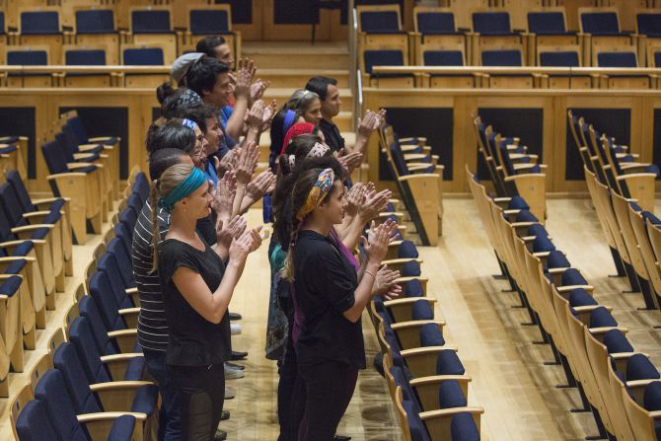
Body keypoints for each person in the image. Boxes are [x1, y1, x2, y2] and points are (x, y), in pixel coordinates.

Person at [283, 166, 397, 441]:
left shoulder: (319, 240)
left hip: (326, 350)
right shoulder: (318, 250)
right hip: (327, 357)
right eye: (339, 198)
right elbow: (351, 309)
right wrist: (373, 263)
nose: (345, 203)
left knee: (316, 428)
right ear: (320, 205)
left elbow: (341, 290)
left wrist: (370, 280)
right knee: (318, 431)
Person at [153, 163, 262, 441]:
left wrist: (225, 246)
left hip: (208, 359)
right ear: (183, 201)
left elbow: (208, 271)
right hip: (192, 367)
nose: (210, 199)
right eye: (204, 194)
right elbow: (213, 309)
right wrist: (236, 262)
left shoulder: (193, 234)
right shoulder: (175, 251)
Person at [305, 76, 384, 155]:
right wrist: (363, 135)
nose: (339, 102)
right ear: (318, 102)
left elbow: (355, 160)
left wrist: (367, 133)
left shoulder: (331, 126)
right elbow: (342, 165)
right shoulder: (318, 131)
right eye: (334, 98)